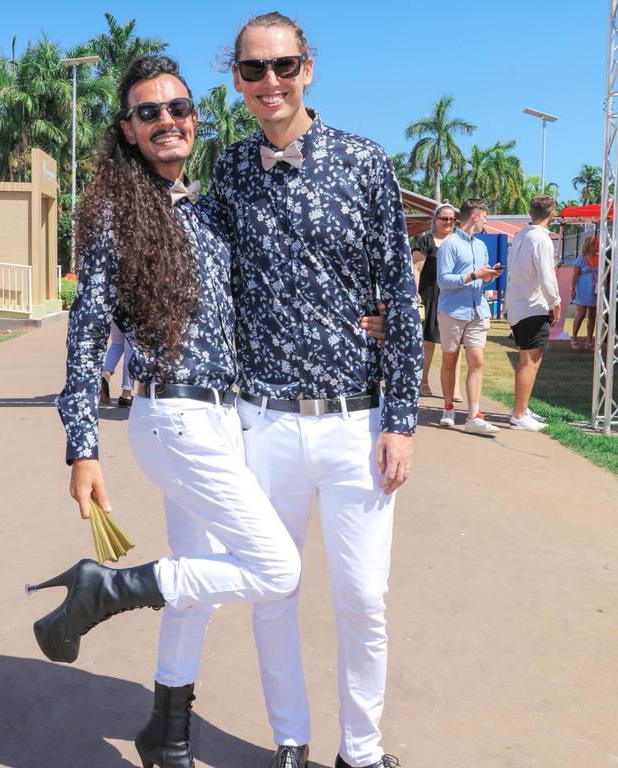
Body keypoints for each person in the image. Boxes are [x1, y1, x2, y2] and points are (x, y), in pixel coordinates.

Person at [30, 54, 386, 768]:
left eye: (179, 108)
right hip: (177, 419)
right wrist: (82, 445)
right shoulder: (115, 216)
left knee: (194, 580)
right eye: (148, 112)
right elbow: (86, 336)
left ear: (197, 118)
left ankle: (169, 732)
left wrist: (359, 316)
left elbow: (281, 268)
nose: (168, 121)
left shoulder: (203, 207)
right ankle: (111, 587)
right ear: (126, 130)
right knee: (275, 569)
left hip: (230, 418)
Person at [209, 13, 422, 768]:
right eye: (254, 70)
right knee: (274, 593)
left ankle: (360, 751)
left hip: (355, 423)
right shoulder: (228, 170)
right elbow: (205, 278)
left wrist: (402, 417)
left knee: (363, 599)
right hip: (261, 422)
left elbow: (399, 289)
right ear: (236, 79)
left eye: (285, 66)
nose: (272, 82)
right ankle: (290, 742)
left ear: (309, 69)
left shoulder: (365, 163)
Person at [436, 198, 502, 435]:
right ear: (475, 217)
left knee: (477, 360)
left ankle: (473, 414)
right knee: (449, 360)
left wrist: (488, 276)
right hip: (453, 311)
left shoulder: (482, 246)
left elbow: (479, 277)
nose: (486, 221)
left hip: (477, 310)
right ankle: (448, 406)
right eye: (485, 216)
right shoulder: (449, 245)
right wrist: (475, 275)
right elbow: (443, 280)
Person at [504, 195, 560, 431]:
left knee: (528, 360)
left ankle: (522, 408)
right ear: (552, 214)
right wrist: (555, 303)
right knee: (530, 361)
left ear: (530, 212)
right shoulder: (541, 239)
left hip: (518, 305)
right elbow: (547, 276)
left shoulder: (521, 235)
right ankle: (518, 415)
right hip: (532, 306)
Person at [411, 203, 462, 400]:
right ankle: (423, 381)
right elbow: (416, 268)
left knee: (454, 346)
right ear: (435, 220)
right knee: (428, 344)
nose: (448, 222)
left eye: (451, 219)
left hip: (453, 300)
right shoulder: (426, 241)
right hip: (430, 298)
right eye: (444, 218)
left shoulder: (459, 242)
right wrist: (414, 293)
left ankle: (455, 387)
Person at [570, 235, 599, 350]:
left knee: (592, 316)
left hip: (595, 291)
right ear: (590, 245)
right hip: (582, 290)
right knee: (581, 315)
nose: (598, 245)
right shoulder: (580, 259)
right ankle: (574, 338)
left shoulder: (601, 258)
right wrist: (573, 290)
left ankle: (589, 341)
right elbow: (575, 276)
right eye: (596, 243)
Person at [101, 321, 134, 406]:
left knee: (117, 343)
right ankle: (126, 393)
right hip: (133, 312)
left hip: (116, 311)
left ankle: (105, 374)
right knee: (130, 349)